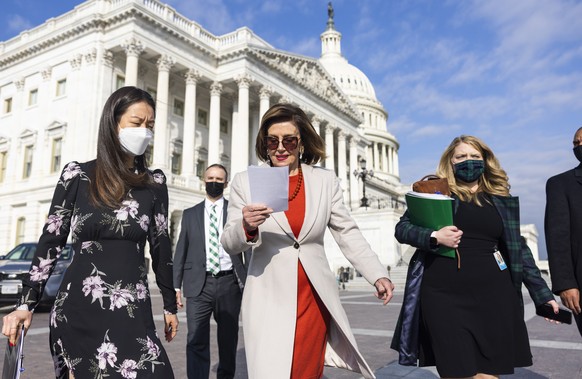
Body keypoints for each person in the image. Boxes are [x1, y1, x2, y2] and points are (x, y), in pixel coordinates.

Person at [1, 86, 178, 378]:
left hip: (132, 308)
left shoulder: (154, 184)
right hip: (79, 307)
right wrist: (26, 304)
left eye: (150, 125)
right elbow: (51, 241)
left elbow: (161, 246)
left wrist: (169, 304)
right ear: (113, 123)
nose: (145, 131)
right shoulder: (78, 176)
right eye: (137, 123)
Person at [220, 103, 394, 379]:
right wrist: (246, 226)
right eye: (272, 141)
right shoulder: (246, 182)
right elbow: (229, 242)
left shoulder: (324, 181)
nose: (280, 148)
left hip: (313, 296)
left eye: (289, 140)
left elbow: (347, 231)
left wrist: (376, 274)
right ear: (264, 144)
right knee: (270, 371)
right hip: (269, 295)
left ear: (301, 143)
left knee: (305, 372)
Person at [391, 135, 559, 378]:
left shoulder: (500, 198)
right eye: (461, 157)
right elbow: (402, 229)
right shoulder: (436, 193)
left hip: (494, 296)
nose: (467, 162)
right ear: (451, 161)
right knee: (457, 370)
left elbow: (519, 249)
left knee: (489, 372)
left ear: (485, 160)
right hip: (443, 295)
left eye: (474, 156)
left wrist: (543, 295)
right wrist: (434, 236)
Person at [173, 164, 249, 378]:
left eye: (219, 179)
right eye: (210, 178)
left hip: (229, 284)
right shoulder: (190, 214)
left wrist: (250, 280)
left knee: (228, 340)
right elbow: (181, 251)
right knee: (195, 339)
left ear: (226, 184)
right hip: (199, 284)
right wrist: (175, 286)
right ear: (203, 179)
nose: (214, 182)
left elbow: (247, 248)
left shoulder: (236, 213)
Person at [545, 126, 582, 337]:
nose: (579, 146)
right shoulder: (561, 184)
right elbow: (558, 238)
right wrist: (566, 284)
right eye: (576, 143)